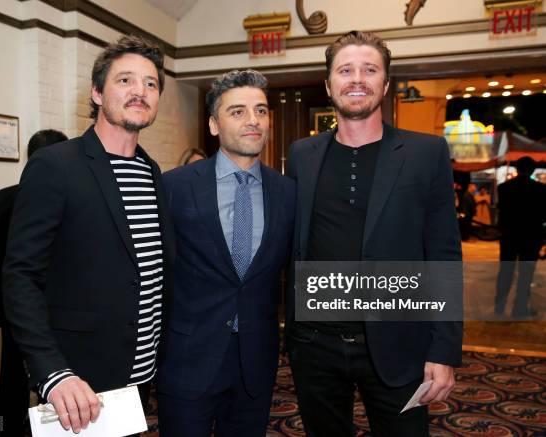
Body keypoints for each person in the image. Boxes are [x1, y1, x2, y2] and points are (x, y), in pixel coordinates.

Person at [286, 31, 462, 437]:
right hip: (315, 345)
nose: (357, 78)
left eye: (369, 69)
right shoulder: (302, 155)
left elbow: (444, 254)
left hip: (399, 341)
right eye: (345, 70)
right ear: (328, 84)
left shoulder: (426, 153)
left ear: (385, 84)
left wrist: (444, 348)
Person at [3, 34, 174, 434]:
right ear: (97, 92)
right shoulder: (56, 166)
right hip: (76, 383)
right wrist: (53, 372)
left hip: (138, 379)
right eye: (125, 80)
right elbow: (20, 276)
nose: (140, 91)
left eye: (151, 84)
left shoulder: (153, 174)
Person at [156, 70, 295, 437]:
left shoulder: (289, 193)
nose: (253, 121)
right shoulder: (174, 187)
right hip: (188, 360)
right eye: (237, 112)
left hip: (256, 363)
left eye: (261, 111)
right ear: (214, 125)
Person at [0, 129, 67, 436]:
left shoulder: (2, 198)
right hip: (50, 313)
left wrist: (4, 307)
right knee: (55, 384)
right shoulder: (63, 199)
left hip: (11, 308)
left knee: (12, 382)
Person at [495, 156, 546, 317]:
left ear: (517, 169)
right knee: (526, 274)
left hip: (509, 236)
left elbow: (501, 213)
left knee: (505, 272)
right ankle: (520, 308)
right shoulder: (541, 189)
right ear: (532, 170)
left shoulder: (504, 188)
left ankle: (500, 306)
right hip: (531, 237)